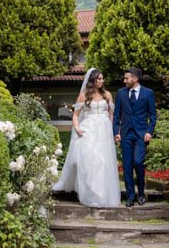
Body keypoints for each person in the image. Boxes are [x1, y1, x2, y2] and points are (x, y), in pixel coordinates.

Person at [51, 68, 120, 207]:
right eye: (99, 78)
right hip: (88, 130)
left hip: (104, 131)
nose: (102, 81)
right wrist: (77, 128)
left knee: (103, 162)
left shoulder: (107, 95)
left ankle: (103, 195)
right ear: (92, 80)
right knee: (90, 162)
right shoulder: (84, 95)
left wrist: (114, 131)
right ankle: (90, 194)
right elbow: (76, 115)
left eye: (102, 78)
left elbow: (112, 115)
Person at [114, 67, 157, 207]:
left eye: (127, 78)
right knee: (127, 166)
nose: (124, 80)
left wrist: (149, 131)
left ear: (135, 79)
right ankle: (130, 196)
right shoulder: (120, 93)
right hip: (126, 134)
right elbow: (116, 115)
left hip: (141, 134)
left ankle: (141, 193)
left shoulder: (148, 93)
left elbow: (152, 115)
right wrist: (116, 132)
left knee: (138, 162)